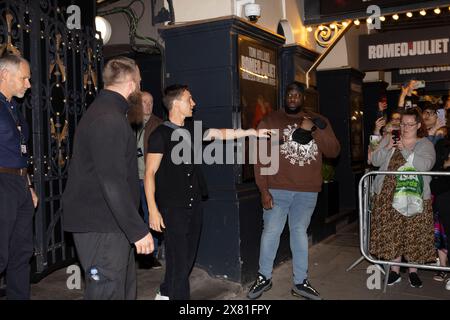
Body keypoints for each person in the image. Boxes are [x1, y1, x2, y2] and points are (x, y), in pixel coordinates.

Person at [144, 84, 273, 300]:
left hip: (194, 205)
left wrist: (252, 131)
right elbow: (149, 173)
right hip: (172, 207)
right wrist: (153, 210)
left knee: (186, 259)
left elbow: (221, 133)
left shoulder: (191, 131)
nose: (194, 103)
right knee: (178, 260)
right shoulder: (160, 135)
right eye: (189, 99)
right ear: (176, 104)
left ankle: (165, 292)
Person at [62, 57, 154, 300]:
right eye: (140, 83)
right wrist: (137, 229)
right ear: (133, 85)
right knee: (108, 293)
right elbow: (112, 182)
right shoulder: (108, 119)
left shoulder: (110, 113)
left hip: (111, 225)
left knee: (122, 291)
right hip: (101, 226)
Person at [247, 81, 340, 300]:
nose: (293, 98)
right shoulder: (271, 121)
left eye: (297, 95)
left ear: (303, 98)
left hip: (307, 191)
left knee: (299, 233)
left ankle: (300, 282)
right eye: (289, 94)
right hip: (277, 188)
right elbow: (260, 157)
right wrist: (263, 189)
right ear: (284, 96)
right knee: (271, 232)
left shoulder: (318, 120)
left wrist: (316, 128)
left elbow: (334, 151)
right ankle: (264, 277)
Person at [370, 107, 436, 288]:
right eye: (403, 124)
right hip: (387, 195)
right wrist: (388, 147)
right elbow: (374, 161)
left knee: (413, 233)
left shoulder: (425, 144)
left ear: (418, 125)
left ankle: (413, 271)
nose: (405, 127)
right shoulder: (390, 138)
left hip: (414, 196)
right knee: (392, 233)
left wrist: (405, 150)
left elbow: (425, 164)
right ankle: (394, 271)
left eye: (410, 124)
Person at [0, 54, 38, 300]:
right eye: (24, 78)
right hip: (2, 183)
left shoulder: (12, 107)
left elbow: (20, 150)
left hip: (20, 184)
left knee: (21, 252)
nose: (28, 84)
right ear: (5, 75)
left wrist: (29, 186)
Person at [128, 91, 163, 269]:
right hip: (131, 178)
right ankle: (132, 251)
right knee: (131, 214)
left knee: (151, 215)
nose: (148, 105)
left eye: (150, 102)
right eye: (144, 102)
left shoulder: (159, 124)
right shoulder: (130, 122)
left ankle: (151, 254)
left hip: (150, 179)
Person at [431, 108, 450, 288]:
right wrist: (446, 163)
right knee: (445, 230)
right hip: (444, 191)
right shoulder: (441, 143)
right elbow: (434, 166)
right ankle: (444, 268)